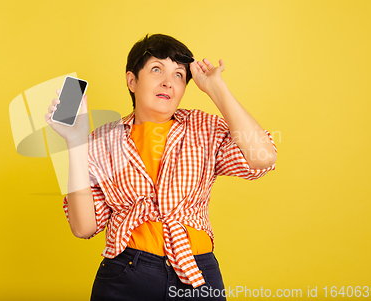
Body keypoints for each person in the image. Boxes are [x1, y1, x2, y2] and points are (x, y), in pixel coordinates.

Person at [45, 34, 277, 300]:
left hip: (197, 273)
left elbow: (263, 157)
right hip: (126, 274)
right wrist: (75, 143)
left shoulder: (203, 128)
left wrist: (216, 88)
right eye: (157, 69)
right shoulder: (103, 141)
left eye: (179, 75)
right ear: (132, 80)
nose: (168, 82)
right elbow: (83, 227)